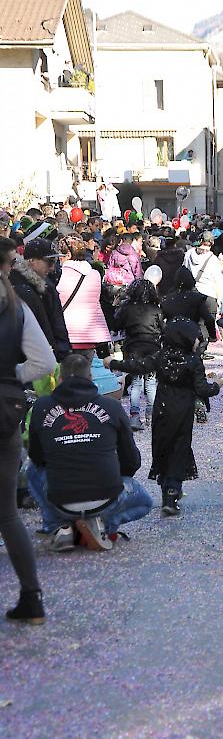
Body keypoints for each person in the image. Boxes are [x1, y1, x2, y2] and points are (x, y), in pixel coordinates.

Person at [27, 353, 153, 552]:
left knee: (31, 470)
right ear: (91, 379)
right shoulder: (111, 406)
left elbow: (36, 456)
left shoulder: (41, 407)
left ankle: (59, 525)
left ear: (60, 379)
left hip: (60, 498)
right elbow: (131, 460)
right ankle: (102, 524)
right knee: (145, 503)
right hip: (107, 496)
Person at [110, 317, 221, 515]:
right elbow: (202, 389)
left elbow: (138, 366)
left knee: (163, 446)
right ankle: (172, 491)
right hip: (183, 412)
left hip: (162, 409)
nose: (198, 341)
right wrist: (217, 385)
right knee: (180, 448)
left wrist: (115, 363)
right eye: (196, 338)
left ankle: (165, 491)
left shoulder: (160, 356)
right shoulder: (193, 361)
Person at [0, 240, 56, 623]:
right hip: (4, 408)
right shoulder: (17, 306)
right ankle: (32, 598)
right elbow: (44, 361)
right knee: (7, 514)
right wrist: (10, 377)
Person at [112, 277, 165, 430]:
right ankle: (152, 414)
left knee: (136, 383)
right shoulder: (156, 309)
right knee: (151, 382)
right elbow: (163, 328)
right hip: (152, 348)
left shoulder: (127, 308)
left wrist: (115, 306)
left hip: (133, 348)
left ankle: (134, 416)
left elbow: (116, 325)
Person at [9, 238, 71, 360]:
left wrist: (62, 354)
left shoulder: (48, 286)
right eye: (49, 261)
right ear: (32, 260)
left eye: (55, 261)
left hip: (49, 359)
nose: (53, 267)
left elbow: (58, 324)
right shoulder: (17, 287)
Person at [56, 234, 111, 351]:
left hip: (66, 335)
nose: (58, 258)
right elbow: (96, 305)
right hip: (90, 337)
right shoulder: (95, 274)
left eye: (60, 254)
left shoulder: (59, 275)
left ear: (68, 255)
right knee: (85, 369)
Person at [183, 231, 223, 322]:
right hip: (209, 295)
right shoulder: (213, 259)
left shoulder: (188, 254)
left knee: (193, 325)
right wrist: (219, 300)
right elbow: (218, 282)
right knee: (208, 328)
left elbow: (184, 272)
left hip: (191, 294)